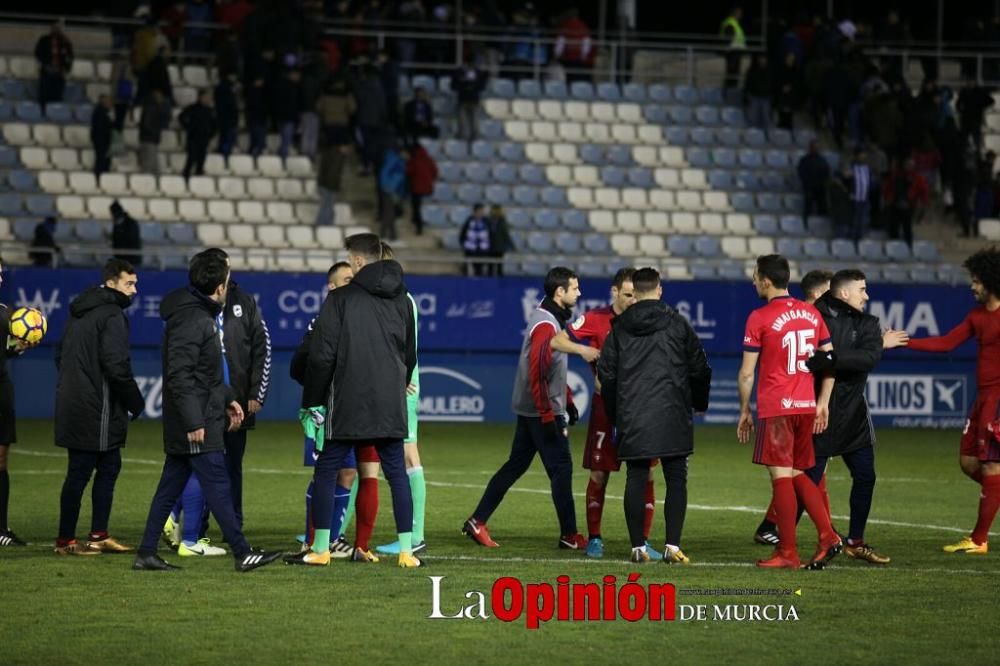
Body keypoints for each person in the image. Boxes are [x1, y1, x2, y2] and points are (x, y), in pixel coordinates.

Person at [132, 252, 282, 572]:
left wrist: (229, 398)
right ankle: (242, 553)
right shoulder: (195, 320)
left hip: (198, 415)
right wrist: (194, 421)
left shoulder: (193, 314)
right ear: (218, 287)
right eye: (227, 281)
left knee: (169, 487)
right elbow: (180, 376)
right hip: (197, 421)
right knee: (217, 485)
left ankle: (146, 552)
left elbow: (206, 371)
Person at [287, 233, 421, 568]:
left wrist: (313, 402)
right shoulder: (403, 299)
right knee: (396, 474)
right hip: (389, 404)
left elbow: (322, 356)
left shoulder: (341, 299)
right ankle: (407, 552)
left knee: (327, 469)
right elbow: (410, 353)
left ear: (358, 261)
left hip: (346, 402)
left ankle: (320, 549)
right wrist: (397, 385)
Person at [464, 267, 587, 550]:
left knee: (516, 465)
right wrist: (549, 413)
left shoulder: (548, 318)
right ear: (560, 292)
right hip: (541, 410)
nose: (579, 293)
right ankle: (570, 535)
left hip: (534, 407)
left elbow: (551, 368)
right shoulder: (546, 324)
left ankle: (477, 520)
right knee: (561, 469)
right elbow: (537, 371)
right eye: (575, 288)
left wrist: (567, 399)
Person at [598, 267, 711, 564]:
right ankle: (672, 546)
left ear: (634, 292)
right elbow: (699, 366)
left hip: (633, 414)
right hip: (672, 411)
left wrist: (615, 414)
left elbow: (606, 375)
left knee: (636, 476)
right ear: (659, 290)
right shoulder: (677, 324)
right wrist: (699, 402)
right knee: (676, 478)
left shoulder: (619, 328)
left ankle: (638, 546)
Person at [737, 254, 841, 569]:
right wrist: (823, 401)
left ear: (766, 280)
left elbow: (746, 374)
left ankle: (789, 553)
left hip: (778, 407)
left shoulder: (759, 317)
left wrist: (745, 409)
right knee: (797, 474)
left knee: (781, 478)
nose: (753, 281)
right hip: (806, 406)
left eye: (755, 276)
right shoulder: (811, 313)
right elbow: (830, 362)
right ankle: (826, 536)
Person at [552, 268, 658, 559]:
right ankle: (595, 538)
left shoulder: (649, 319)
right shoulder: (597, 319)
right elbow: (557, 341)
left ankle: (644, 541)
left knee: (647, 474)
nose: (633, 300)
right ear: (614, 292)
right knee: (599, 474)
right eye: (627, 295)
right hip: (605, 409)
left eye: (636, 295)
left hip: (640, 410)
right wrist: (583, 351)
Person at [906, 248, 1000, 555]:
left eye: (975, 281)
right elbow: (946, 342)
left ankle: (979, 539)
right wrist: (906, 341)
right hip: (983, 399)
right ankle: (994, 494)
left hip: (998, 399)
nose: (972, 286)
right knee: (969, 462)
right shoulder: (977, 316)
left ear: (990, 281)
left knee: (990, 467)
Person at [53, 259, 144, 556]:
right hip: (98, 408)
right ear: (112, 283)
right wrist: (135, 401)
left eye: (135, 284)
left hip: (75, 403)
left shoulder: (79, 313)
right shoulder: (111, 315)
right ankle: (68, 541)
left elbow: (60, 356)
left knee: (105, 466)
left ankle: (97, 536)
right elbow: (116, 365)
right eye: (129, 283)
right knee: (83, 472)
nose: (134, 290)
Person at [289, 263, 357, 559]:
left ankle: (334, 537)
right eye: (346, 280)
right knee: (324, 474)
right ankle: (312, 538)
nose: (352, 284)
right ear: (332, 287)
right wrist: (320, 392)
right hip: (324, 412)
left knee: (348, 473)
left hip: (349, 410)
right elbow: (298, 365)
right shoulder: (322, 321)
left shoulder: (354, 319)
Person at [375, 242, 428, 556]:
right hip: (392, 383)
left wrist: (403, 378)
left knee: (409, 455)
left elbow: (403, 347)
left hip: (401, 385)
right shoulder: (396, 298)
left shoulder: (401, 299)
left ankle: (417, 534)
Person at [0, 260, 41, 547]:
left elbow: (6, 351)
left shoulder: (5, 314)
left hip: (1, 395)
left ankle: (0, 529)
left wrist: (20, 346)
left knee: (0, 462)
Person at [882, 158, 929, 248]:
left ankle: (909, 247)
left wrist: (923, 203)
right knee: (893, 227)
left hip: (909, 206)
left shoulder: (918, 178)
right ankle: (894, 247)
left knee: (907, 228)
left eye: (910, 165)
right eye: (907, 164)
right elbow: (887, 188)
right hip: (895, 205)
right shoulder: (896, 176)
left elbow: (924, 191)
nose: (908, 167)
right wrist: (887, 199)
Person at [178, 90, 217, 181]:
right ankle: (185, 177)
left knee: (201, 159)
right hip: (193, 137)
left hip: (204, 138)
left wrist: (211, 134)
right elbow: (181, 117)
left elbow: (215, 125)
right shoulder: (192, 108)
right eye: (205, 97)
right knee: (191, 158)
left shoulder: (210, 111)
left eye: (208, 98)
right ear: (200, 97)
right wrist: (189, 127)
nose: (207, 99)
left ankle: (199, 178)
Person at [34, 21, 73, 111]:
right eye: (54, 27)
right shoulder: (44, 40)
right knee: (44, 94)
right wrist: (45, 65)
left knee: (57, 94)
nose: (56, 29)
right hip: (47, 72)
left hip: (59, 73)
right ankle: (43, 112)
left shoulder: (65, 41)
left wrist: (66, 69)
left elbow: (70, 56)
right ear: (51, 28)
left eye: (58, 28)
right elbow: (38, 54)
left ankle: (55, 113)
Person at [406, 140, 438, 236]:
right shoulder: (428, 159)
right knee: (418, 206)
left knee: (417, 207)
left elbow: (409, 171)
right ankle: (416, 220)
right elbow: (435, 172)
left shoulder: (414, 159)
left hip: (417, 188)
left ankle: (418, 227)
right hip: (428, 188)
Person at [451, 57, 487, 142]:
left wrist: (473, 86)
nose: (470, 66)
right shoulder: (459, 72)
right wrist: (464, 84)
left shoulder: (478, 73)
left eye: (472, 64)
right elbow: (453, 86)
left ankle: (475, 138)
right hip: (462, 100)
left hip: (474, 100)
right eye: (468, 64)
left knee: (475, 121)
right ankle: (461, 138)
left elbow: (482, 86)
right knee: (462, 121)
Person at [138, 89, 171, 175]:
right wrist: (155, 132)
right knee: (149, 165)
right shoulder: (151, 108)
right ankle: (146, 183)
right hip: (149, 139)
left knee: (154, 166)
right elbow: (147, 124)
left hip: (151, 139)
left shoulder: (153, 107)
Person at [798, 141, 830, 224]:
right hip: (809, 187)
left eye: (817, 147)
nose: (815, 149)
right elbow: (801, 173)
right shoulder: (804, 160)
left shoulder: (822, 160)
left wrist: (823, 183)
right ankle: (805, 224)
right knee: (808, 207)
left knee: (822, 206)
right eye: (813, 147)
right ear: (810, 148)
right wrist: (807, 182)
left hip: (820, 187)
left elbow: (826, 173)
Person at [459, 203, 492, 277]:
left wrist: (489, 246)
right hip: (470, 250)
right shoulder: (469, 221)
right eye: (479, 211)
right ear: (475, 211)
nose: (481, 213)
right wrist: (463, 244)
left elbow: (490, 234)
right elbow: (463, 233)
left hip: (482, 250)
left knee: (480, 269)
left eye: (482, 211)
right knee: (468, 269)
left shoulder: (486, 221)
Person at [214, 74, 239, 164]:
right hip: (228, 120)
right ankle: (224, 159)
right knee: (226, 141)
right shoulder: (227, 90)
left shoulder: (221, 89)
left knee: (225, 140)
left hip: (225, 120)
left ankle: (224, 158)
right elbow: (230, 107)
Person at [720, 7, 746, 89]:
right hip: (733, 53)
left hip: (735, 53)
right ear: (734, 13)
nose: (741, 15)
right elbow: (728, 39)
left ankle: (731, 92)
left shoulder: (734, 23)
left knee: (734, 75)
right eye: (739, 13)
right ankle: (729, 94)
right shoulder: (730, 23)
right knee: (732, 75)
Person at [110, 200, 142, 266]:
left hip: (132, 259)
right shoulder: (116, 225)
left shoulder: (131, 223)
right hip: (120, 259)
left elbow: (132, 240)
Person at [487, 205, 515, 277]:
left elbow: (506, 235)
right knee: (490, 266)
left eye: (497, 210)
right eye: (494, 210)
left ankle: (500, 282)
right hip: (490, 247)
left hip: (499, 247)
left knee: (499, 265)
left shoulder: (502, 221)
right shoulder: (488, 221)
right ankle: (490, 281)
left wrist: (512, 246)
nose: (495, 212)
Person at [91, 95, 114, 179]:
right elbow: (101, 128)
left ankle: (103, 177)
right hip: (101, 141)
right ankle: (99, 177)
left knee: (104, 160)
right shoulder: (100, 112)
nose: (110, 103)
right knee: (101, 160)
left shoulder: (104, 112)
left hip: (104, 140)